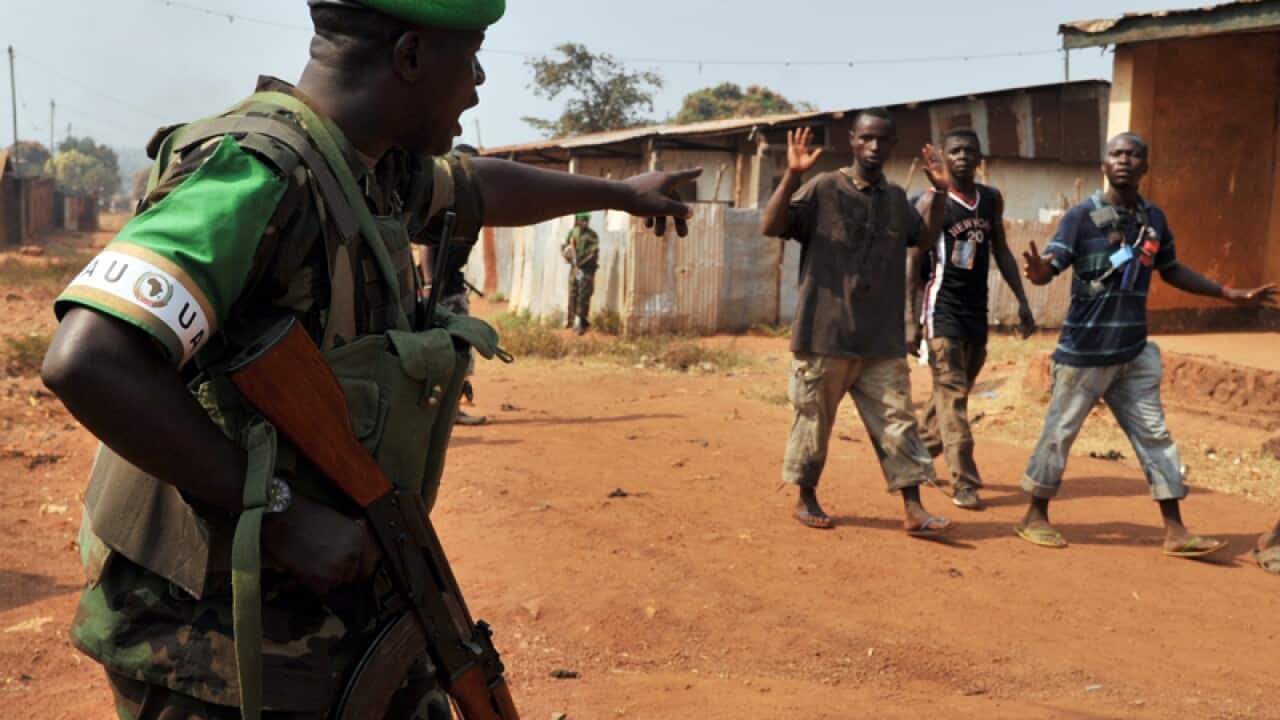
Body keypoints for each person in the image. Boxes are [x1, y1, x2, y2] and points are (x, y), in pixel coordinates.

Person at [40, 1, 699, 717]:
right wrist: (281, 512)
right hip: (214, 651)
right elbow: (90, 358)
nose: (478, 82)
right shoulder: (258, 172)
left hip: (317, 623)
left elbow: (481, 188)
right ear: (411, 56)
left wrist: (622, 194)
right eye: (470, 54)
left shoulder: (366, 168)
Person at [1017, 132, 1277, 554]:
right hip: (1084, 352)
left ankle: (1175, 530)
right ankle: (1034, 514)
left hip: (1133, 352)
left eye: (1132, 154)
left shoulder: (1153, 219)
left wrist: (1227, 294)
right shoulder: (1082, 217)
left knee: (1155, 437)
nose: (1123, 160)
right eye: (1116, 153)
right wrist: (1038, 272)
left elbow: (1171, 270)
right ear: (1104, 162)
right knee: (1059, 434)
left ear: (1145, 166)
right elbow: (1052, 265)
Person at [760, 112, 953, 535]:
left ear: (892, 145)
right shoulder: (824, 188)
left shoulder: (895, 197)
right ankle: (806, 497)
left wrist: (941, 193)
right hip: (824, 334)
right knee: (813, 421)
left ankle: (913, 507)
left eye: (882, 141)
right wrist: (792, 176)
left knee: (899, 422)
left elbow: (919, 239)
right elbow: (772, 225)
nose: (874, 147)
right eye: (866, 139)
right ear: (852, 141)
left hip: (879, 340)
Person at [906, 128, 1035, 510]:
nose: (962, 156)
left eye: (970, 151)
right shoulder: (929, 201)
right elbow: (912, 261)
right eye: (955, 150)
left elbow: (1002, 250)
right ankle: (965, 482)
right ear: (943, 157)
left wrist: (1023, 301)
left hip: (976, 312)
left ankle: (911, 455)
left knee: (951, 393)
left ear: (980, 159)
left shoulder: (991, 199)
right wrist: (910, 319)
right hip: (940, 308)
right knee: (953, 396)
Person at [425, 142, 487, 426]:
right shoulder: (444, 205)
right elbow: (426, 247)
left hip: (450, 287)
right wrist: (428, 287)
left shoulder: (466, 209)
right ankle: (450, 411)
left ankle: (449, 408)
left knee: (456, 351)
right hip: (441, 291)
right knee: (453, 351)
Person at [561, 211, 599, 335]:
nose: (585, 222)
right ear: (577, 219)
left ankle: (581, 323)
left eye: (586, 220)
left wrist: (580, 263)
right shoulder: (572, 233)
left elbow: (593, 253)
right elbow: (564, 246)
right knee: (573, 293)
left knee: (584, 296)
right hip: (574, 269)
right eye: (582, 219)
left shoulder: (592, 235)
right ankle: (571, 321)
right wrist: (566, 256)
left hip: (586, 270)